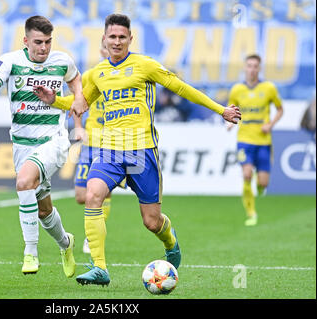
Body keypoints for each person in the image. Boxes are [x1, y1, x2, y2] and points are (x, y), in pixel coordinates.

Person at [34, 13, 241, 286]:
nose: (117, 41)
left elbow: (181, 88)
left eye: (122, 37)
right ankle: (99, 268)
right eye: (112, 36)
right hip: (109, 150)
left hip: (142, 151)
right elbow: (80, 104)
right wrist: (55, 100)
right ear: (104, 39)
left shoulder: (145, 65)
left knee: (152, 221)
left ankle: (171, 243)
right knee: (93, 194)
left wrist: (220, 109)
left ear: (131, 39)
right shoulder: (98, 74)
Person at [0, 15, 88, 277]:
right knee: (44, 210)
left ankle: (30, 252)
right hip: (22, 144)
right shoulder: (11, 61)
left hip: (54, 140)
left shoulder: (61, 61)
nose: (44, 48)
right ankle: (65, 243)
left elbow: (76, 78)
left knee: (24, 180)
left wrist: (78, 104)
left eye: (48, 42)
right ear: (26, 41)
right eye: (38, 42)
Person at [71, 40, 126, 254]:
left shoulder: (125, 77)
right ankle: (95, 228)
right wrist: (78, 127)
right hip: (90, 143)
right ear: (101, 50)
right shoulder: (91, 76)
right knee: (80, 196)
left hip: (111, 144)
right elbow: (77, 103)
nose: (108, 50)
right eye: (104, 47)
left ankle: (91, 238)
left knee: (104, 193)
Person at [227, 54, 283, 226]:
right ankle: (251, 213)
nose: (252, 69)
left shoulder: (269, 88)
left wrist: (270, 124)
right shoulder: (237, 89)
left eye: (255, 66)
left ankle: (260, 187)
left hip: (263, 141)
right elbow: (230, 109)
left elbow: (280, 109)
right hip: (244, 139)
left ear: (259, 69)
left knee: (262, 182)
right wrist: (230, 123)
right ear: (245, 68)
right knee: (246, 174)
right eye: (249, 66)